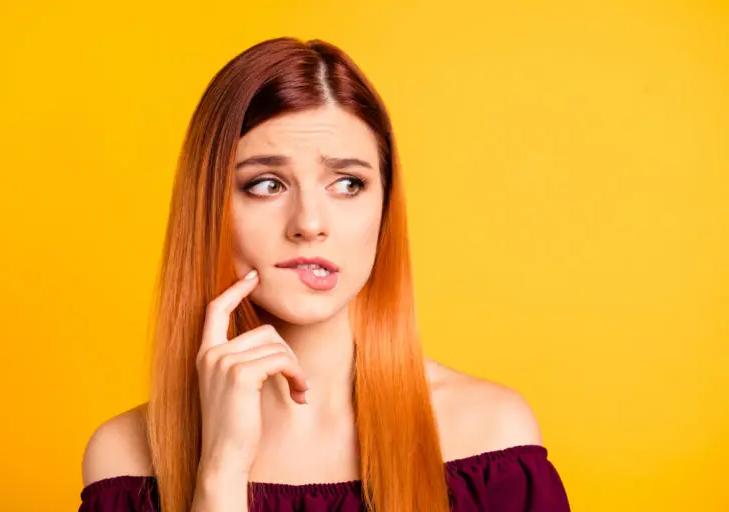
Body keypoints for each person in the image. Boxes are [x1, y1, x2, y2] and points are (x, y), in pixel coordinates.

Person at [79, 37, 571, 512]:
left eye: (348, 183)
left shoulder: (491, 439)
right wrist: (221, 470)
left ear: (385, 205)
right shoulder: (124, 462)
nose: (309, 224)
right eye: (266, 184)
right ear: (209, 208)